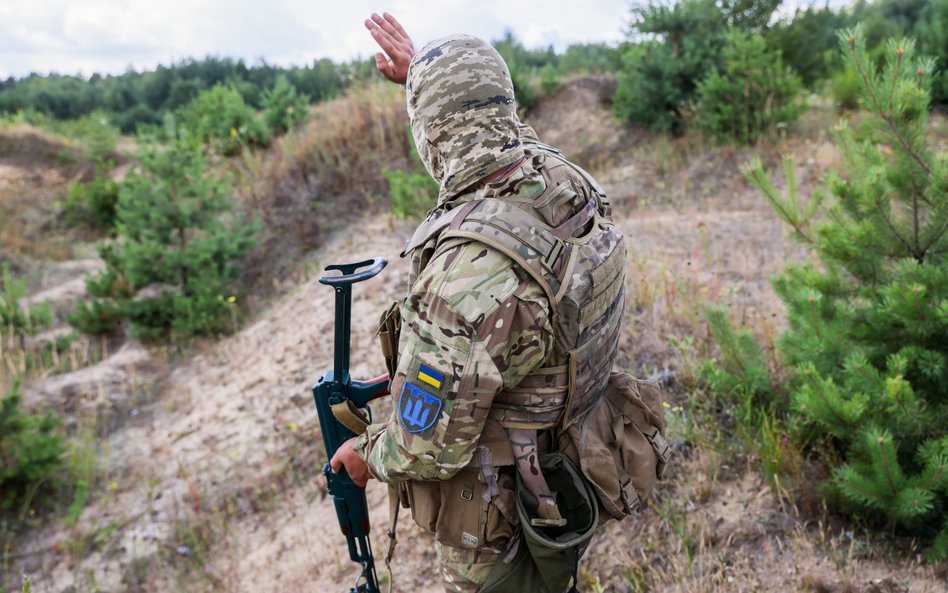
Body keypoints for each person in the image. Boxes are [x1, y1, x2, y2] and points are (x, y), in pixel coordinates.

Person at [331, 13, 630, 593]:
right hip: (570, 455)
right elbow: (497, 136)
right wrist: (433, 77)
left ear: (430, 134)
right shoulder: (566, 180)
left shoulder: (461, 286)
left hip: (502, 512)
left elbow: (427, 445)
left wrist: (370, 452)